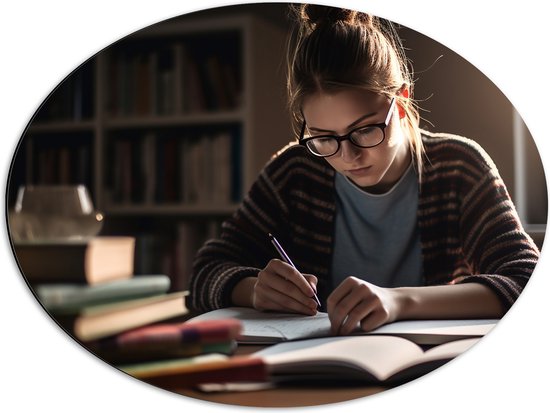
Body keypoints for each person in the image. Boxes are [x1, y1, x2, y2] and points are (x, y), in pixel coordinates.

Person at [188, 4, 540, 335]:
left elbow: (526, 278)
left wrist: (399, 302)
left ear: (401, 102)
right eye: (324, 138)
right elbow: (204, 274)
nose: (348, 156)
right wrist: (252, 290)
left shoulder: (459, 167)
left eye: (365, 130)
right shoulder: (295, 171)